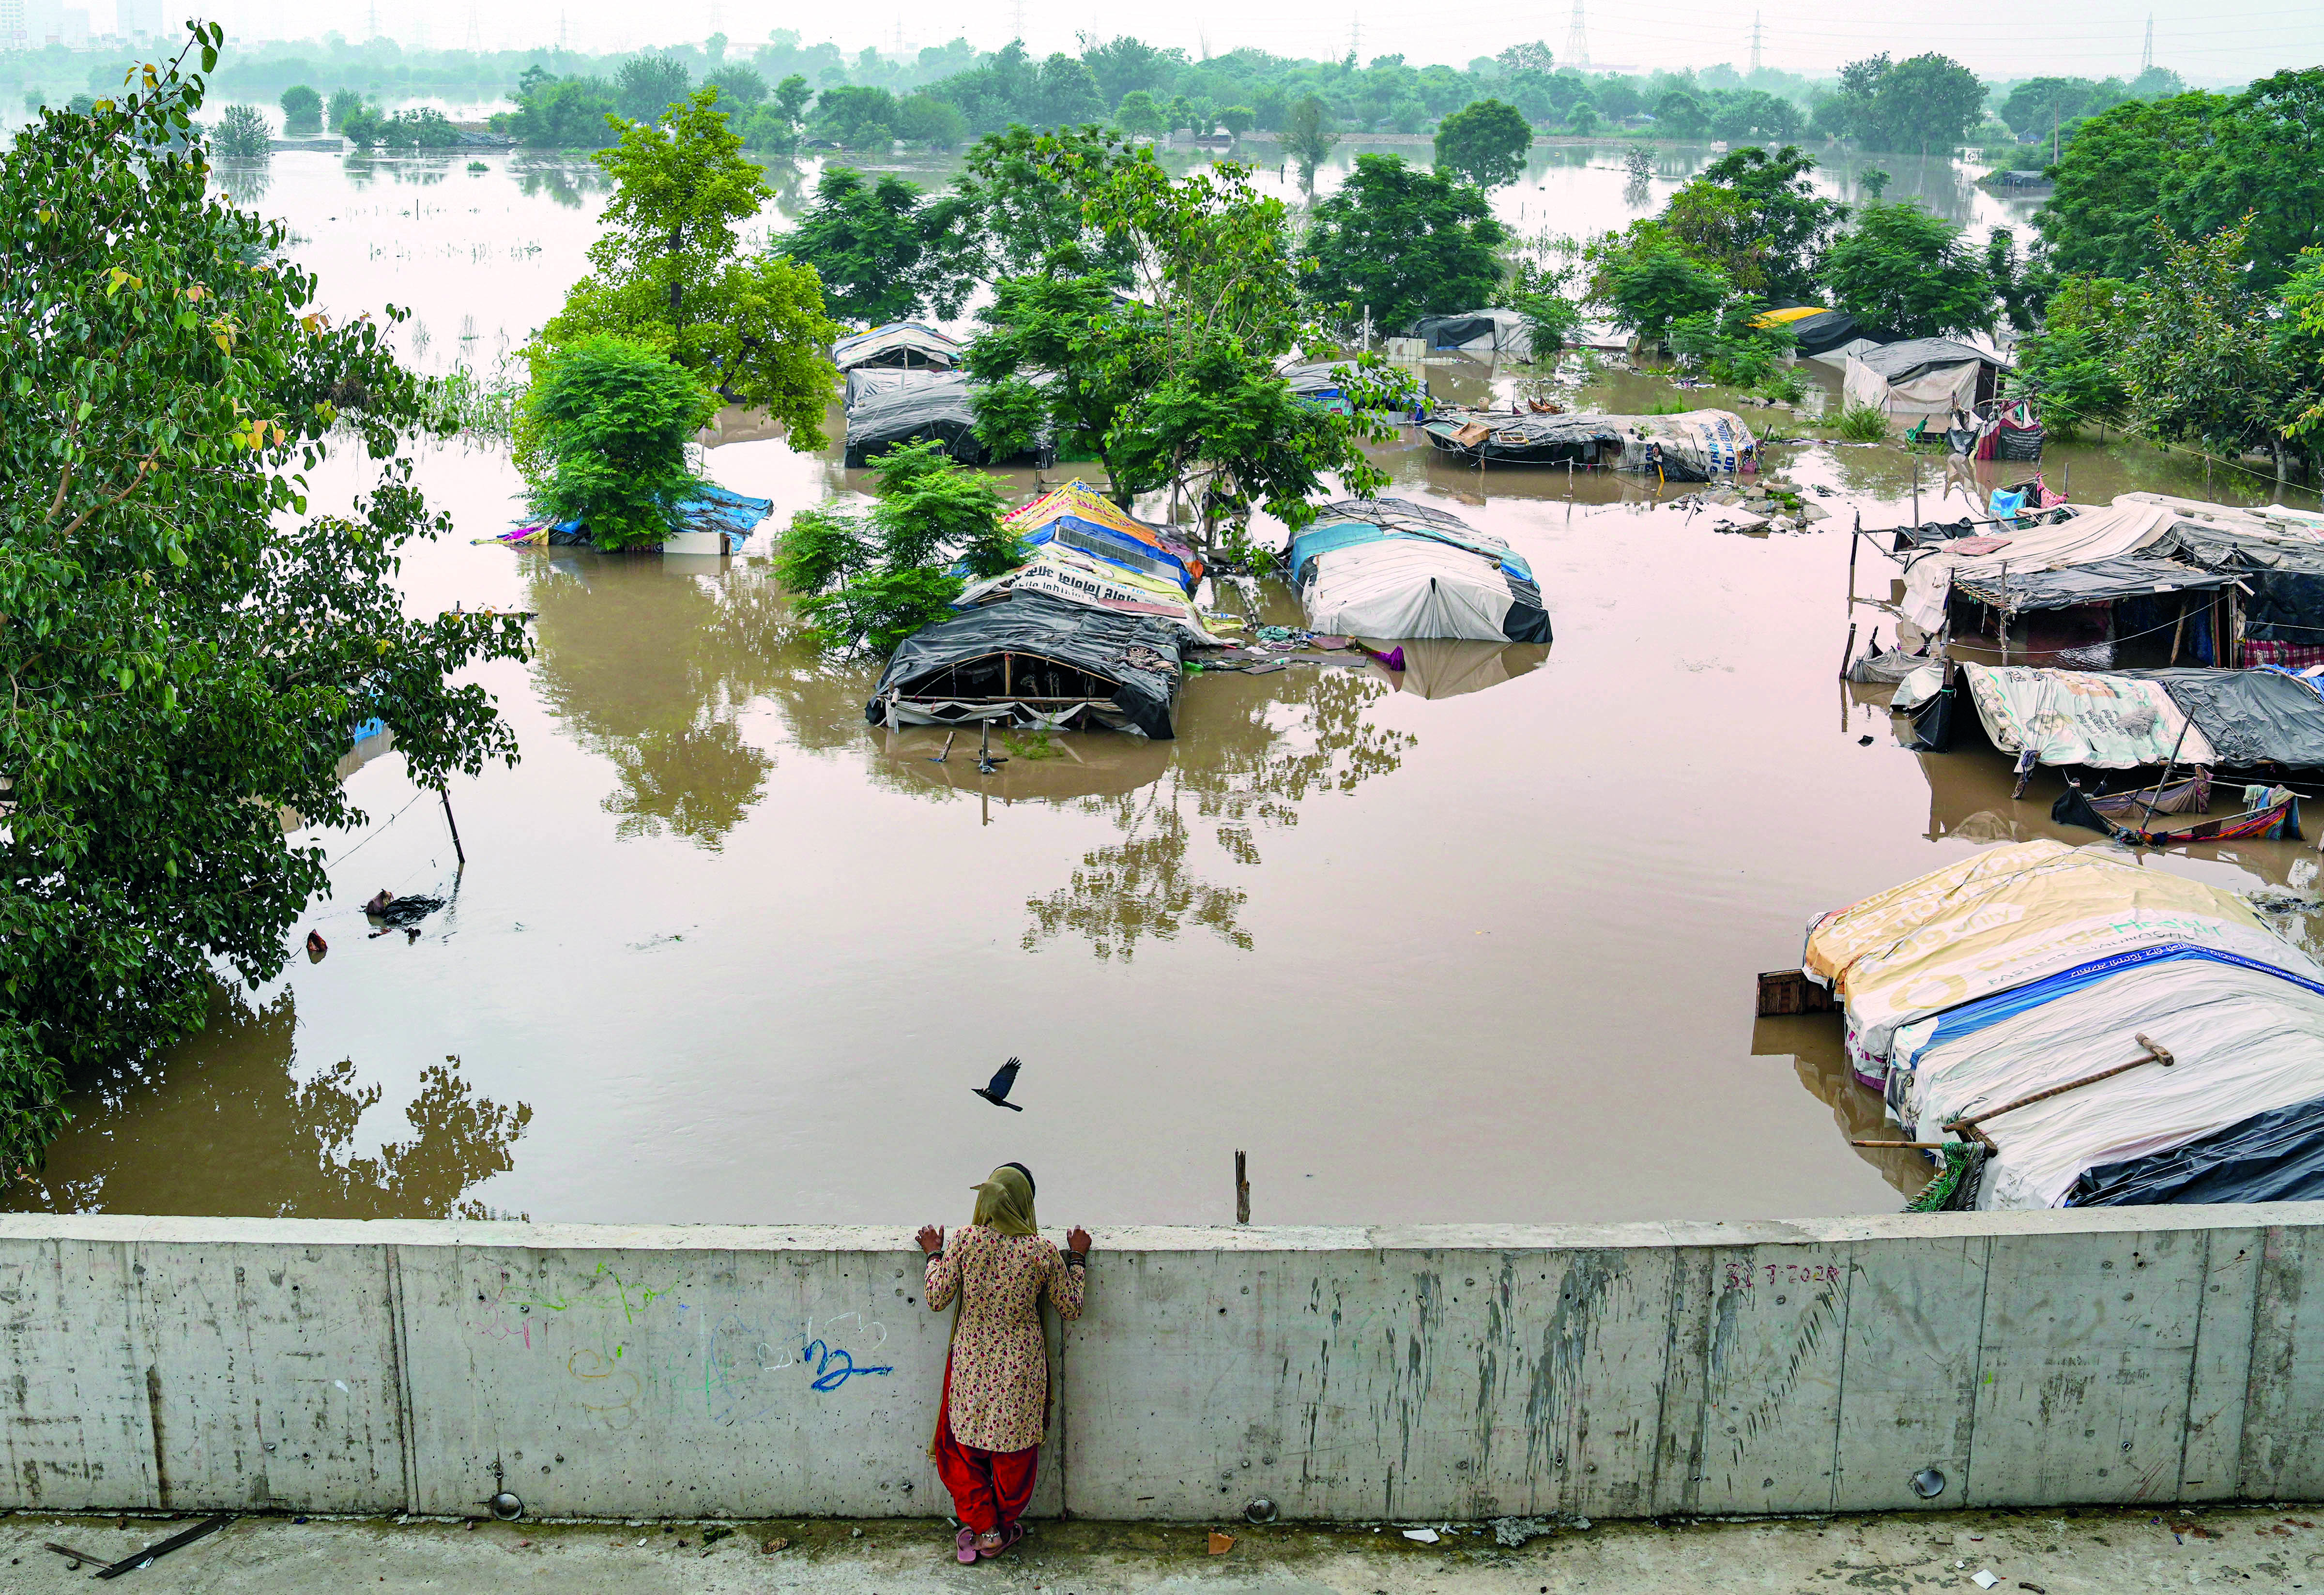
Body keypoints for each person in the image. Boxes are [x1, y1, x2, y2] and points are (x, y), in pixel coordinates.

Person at [917, 1163, 1089, 1564]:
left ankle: (986, 1530)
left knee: (964, 1451)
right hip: (1020, 1373)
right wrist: (1078, 1257)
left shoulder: (965, 1241)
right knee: (1014, 1456)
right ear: (1025, 1203)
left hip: (971, 1367)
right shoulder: (1042, 1251)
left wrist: (933, 1254)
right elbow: (1071, 1307)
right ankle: (1003, 1525)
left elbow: (937, 1297)